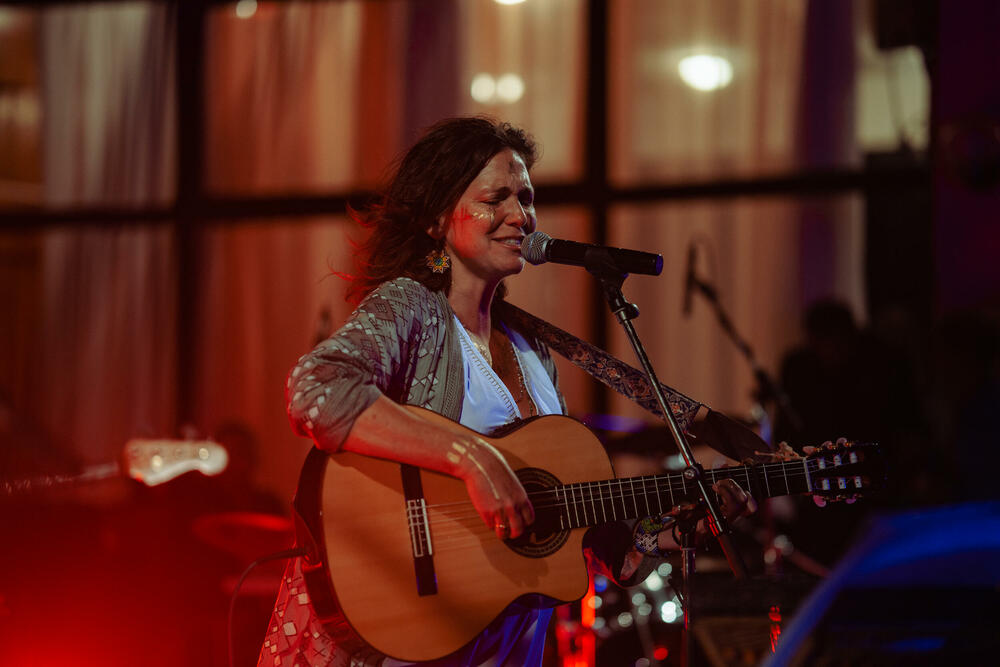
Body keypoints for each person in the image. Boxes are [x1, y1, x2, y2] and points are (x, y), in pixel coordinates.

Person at [258, 117, 754, 667]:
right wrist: (472, 459)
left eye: (526, 198)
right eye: (496, 199)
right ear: (436, 219)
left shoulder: (532, 349)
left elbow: (580, 536)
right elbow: (316, 388)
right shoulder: (412, 307)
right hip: (403, 640)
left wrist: (672, 530)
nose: (521, 216)